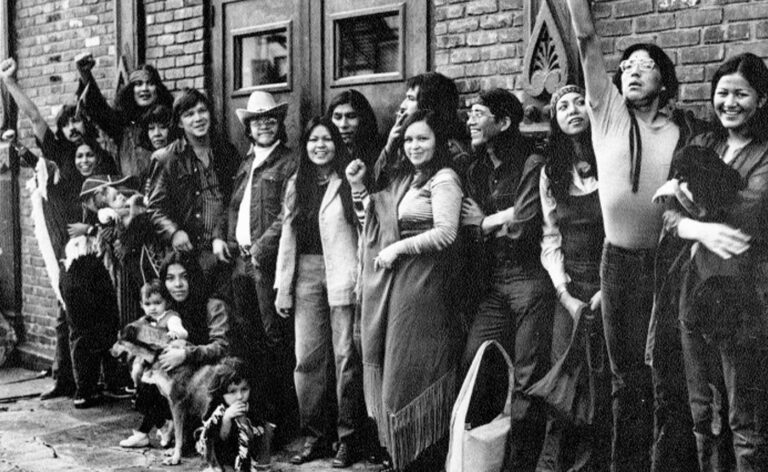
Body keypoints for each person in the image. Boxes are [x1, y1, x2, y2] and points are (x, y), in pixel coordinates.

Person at [565, 2, 711, 470]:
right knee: (624, 381)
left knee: (667, 381)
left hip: (669, 266)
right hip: (620, 264)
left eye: (643, 66)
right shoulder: (608, 113)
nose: (630, 71)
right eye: (625, 66)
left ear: (664, 80)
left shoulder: (686, 130)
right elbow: (587, 41)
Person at [663, 53, 768, 471]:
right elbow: (668, 214)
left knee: (746, 421)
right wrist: (697, 228)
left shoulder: (763, 156)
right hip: (697, 293)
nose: (729, 102)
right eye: (722, 93)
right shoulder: (707, 146)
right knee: (702, 415)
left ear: (761, 100)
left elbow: (749, 214)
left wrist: (689, 199)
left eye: (741, 93)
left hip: (747, 299)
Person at [347, 110, 464, 471]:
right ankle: (405, 457)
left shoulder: (444, 179)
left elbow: (446, 232)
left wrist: (397, 249)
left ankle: (423, 458)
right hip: (402, 286)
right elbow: (373, 219)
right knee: (396, 369)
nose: (414, 146)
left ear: (438, 142)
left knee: (415, 371)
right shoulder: (407, 180)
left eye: (422, 139)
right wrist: (356, 187)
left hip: (427, 285)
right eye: (409, 139)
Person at [0, 57, 117, 401]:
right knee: (67, 311)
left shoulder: (98, 157)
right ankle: (68, 380)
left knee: (90, 313)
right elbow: (34, 117)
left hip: (96, 244)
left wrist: (94, 225)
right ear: (62, 127)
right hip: (64, 244)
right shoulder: (59, 152)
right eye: (68, 123)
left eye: (78, 122)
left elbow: (114, 198)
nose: (73, 128)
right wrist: (9, 84)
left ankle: (89, 380)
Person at [460, 87, 553, 471]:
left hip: (530, 280)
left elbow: (525, 225)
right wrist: (499, 219)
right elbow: (466, 227)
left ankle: (520, 466)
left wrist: (486, 221)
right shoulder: (476, 168)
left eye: (478, 113)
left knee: (529, 380)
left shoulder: (532, 161)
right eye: (469, 112)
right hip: (494, 283)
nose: (470, 119)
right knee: (475, 362)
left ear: (504, 122)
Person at [274, 117, 363, 468]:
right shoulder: (299, 182)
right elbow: (288, 236)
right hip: (307, 274)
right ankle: (315, 436)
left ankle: (348, 439)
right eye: (313, 140)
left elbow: (364, 222)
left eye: (327, 139)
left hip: (343, 271)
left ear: (336, 144)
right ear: (306, 145)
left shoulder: (349, 178)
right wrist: (284, 287)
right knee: (307, 359)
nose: (320, 145)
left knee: (346, 358)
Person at [535, 85, 611, 472]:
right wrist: (564, 293)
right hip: (569, 291)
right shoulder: (551, 174)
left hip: (609, 287)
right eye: (562, 106)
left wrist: (606, 290)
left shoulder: (612, 162)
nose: (572, 109)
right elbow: (551, 237)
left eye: (579, 101)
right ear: (555, 119)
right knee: (562, 385)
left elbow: (619, 233)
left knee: (599, 386)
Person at [225, 90, 298, 444]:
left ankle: (281, 423)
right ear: (249, 128)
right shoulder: (246, 162)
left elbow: (289, 214)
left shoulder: (289, 163)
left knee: (275, 341)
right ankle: (257, 417)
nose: (264, 125)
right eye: (258, 120)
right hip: (239, 263)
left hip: (265, 264)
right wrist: (225, 241)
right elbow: (234, 208)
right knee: (249, 339)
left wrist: (260, 249)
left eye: (270, 119)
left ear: (279, 124)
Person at [121, 251, 232, 461]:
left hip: (207, 378)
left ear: (194, 278)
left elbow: (222, 347)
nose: (178, 284)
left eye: (184, 277)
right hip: (180, 381)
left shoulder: (212, 305)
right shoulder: (167, 309)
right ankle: (164, 426)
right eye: (170, 279)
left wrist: (186, 354)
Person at [147, 88, 239, 287]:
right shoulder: (167, 159)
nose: (198, 118)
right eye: (189, 114)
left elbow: (234, 200)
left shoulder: (226, 152)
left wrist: (221, 235)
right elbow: (155, 208)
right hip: (191, 254)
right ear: (179, 122)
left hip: (224, 247)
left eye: (202, 111)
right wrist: (173, 232)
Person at [75, 53, 173, 182]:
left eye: (150, 83)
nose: (144, 89)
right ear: (131, 90)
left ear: (158, 88)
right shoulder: (123, 125)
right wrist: (86, 75)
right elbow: (99, 108)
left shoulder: (171, 120)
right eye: (138, 84)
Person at [119, 279, 187, 449]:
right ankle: (161, 426)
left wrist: (175, 333)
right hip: (152, 368)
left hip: (168, 367)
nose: (153, 308)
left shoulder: (170, 317)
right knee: (145, 399)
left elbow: (182, 332)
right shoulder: (146, 320)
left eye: (158, 303)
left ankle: (149, 432)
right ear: (142, 305)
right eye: (148, 304)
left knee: (150, 398)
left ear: (166, 302)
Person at [373, 72, 470, 189]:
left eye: (411, 98)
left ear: (429, 104)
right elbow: (377, 185)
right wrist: (389, 146)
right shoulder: (405, 141)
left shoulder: (452, 151)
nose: (403, 105)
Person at [196, 357, 271, 471]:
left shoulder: (251, 405)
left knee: (267, 427)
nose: (240, 396)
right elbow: (219, 438)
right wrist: (227, 418)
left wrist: (246, 421)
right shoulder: (218, 409)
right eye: (233, 392)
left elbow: (257, 433)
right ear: (221, 393)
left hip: (247, 453)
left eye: (244, 389)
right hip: (224, 454)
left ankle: (260, 467)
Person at [325, 89, 381, 189]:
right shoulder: (325, 154)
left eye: (351, 116)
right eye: (337, 117)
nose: (343, 125)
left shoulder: (378, 153)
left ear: (363, 119)